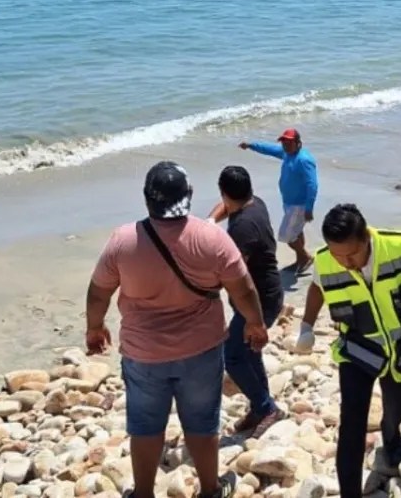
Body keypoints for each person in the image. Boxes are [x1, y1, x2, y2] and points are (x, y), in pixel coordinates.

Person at [86, 161, 268, 498]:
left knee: (145, 427)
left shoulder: (123, 241)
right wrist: (255, 323)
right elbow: (242, 289)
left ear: (146, 199)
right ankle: (211, 490)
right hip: (201, 350)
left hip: (144, 355)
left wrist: (94, 329)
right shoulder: (212, 238)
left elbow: (99, 292)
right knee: (201, 424)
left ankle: (143, 493)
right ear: (190, 195)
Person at [293, 204, 401, 498]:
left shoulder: (398, 244)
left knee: (399, 404)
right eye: (339, 256)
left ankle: (390, 433)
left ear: (366, 237)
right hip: (358, 348)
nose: (346, 263)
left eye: (351, 255)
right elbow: (317, 287)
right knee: (351, 423)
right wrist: (306, 326)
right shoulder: (327, 260)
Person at [208, 166, 286, 436]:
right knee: (250, 352)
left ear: (224, 191)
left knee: (233, 357)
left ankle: (266, 408)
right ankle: (261, 405)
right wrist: (210, 223)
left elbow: (234, 274)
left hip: (259, 301)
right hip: (267, 294)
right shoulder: (255, 204)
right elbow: (225, 207)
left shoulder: (242, 228)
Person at [239, 128, 319, 273]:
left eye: (289, 142)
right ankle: (300, 260)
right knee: (296, 232)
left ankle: (305, 257)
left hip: (299, 205)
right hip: (288, 202)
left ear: (298, 143)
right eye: (283, 142)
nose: (285, 145)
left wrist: (309, 208)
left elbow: (312, 185)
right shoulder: (287, 154)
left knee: (286, 235)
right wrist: (251, 145)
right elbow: (269, 149)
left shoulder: (304, 160)